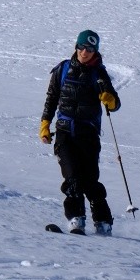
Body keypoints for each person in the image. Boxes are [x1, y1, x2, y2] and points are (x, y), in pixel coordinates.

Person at [40, 29, 121, 235]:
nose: (85, 52)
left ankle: (103, 223)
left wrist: (110, 100)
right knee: (72, 177)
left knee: (90, 180)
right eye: (82, 47)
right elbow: (51, 98)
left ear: (96, 52)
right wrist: (45, 124)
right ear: (76, 46)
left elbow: (115, 104)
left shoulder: (99, 74)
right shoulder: (63, 69)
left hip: (88, 134)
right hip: (65, 132)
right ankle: (76, 220)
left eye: (90, 49)